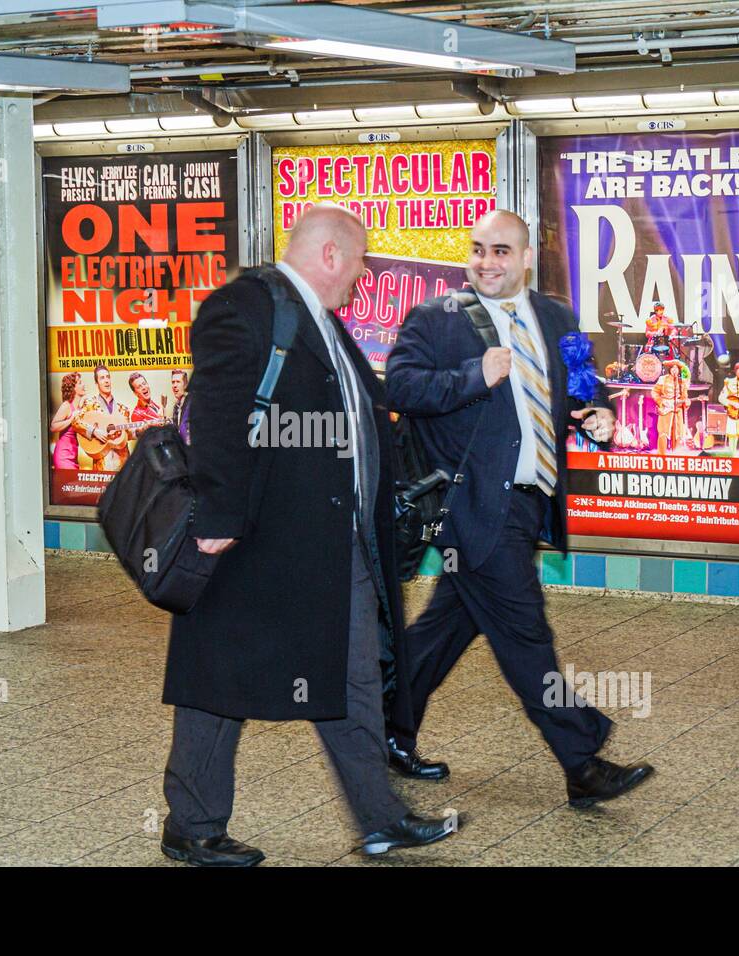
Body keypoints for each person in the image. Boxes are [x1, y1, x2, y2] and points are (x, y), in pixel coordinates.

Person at [161, 204, 457, 866]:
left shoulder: (325, 325)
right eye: (357, 264)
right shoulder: (245, 307)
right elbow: (216, 414)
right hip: (250, 537)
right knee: (217, 682)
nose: (360, 278)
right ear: (329, 256)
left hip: (328, 540)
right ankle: (192, 824)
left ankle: (380, 820)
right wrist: (215, 521)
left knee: (350, 677)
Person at [384, 209, 653, 809]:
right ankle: (582, 759)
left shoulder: (554, 315)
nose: (486, 262)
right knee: (525, 633)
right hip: (471, 507)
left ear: (526, 257)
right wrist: (472, 374)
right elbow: (398, 388)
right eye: (478, 249)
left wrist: (601, 413)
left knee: (446, 627)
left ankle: (383, 726)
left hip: (530, 503)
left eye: (501, 251)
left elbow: (581, 384)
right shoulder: (438, 319)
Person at [81, 364, 131, 471]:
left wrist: (145, 427)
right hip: (102, 464)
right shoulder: (90, 404)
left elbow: (129, 434)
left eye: (108, 377)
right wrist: (94, 431)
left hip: (123, 464)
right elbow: (76, 422)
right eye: (102, 378)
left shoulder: (123, 410)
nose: (106, 380)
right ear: (96, 383)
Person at [49, 372, 87, 471]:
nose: (83, 385)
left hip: (73, 456)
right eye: (80, 383)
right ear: (73, 388)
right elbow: (53, 427)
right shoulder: (66, 405)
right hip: (63, 456)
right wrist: (71, 419)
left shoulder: (79, 408)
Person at [653, 359, 691, 455]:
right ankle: (661, 456)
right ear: (669, 369)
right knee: (663, 433)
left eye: (676, 368)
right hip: (666, 409)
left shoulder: (682, 380)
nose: (674, 369)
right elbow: (654, 392)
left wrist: (686, 402)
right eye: (672, 367)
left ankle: (676, 456)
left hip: (677, 409)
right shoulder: (663, 379)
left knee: (678, 434)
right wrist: (661, 402)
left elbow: (687, 372)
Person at [170, 369, 191, 443]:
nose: (175, 385)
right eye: (173, 382)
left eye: (178, 382)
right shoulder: (176, 407)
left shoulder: (191, 403)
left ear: (185, 385)